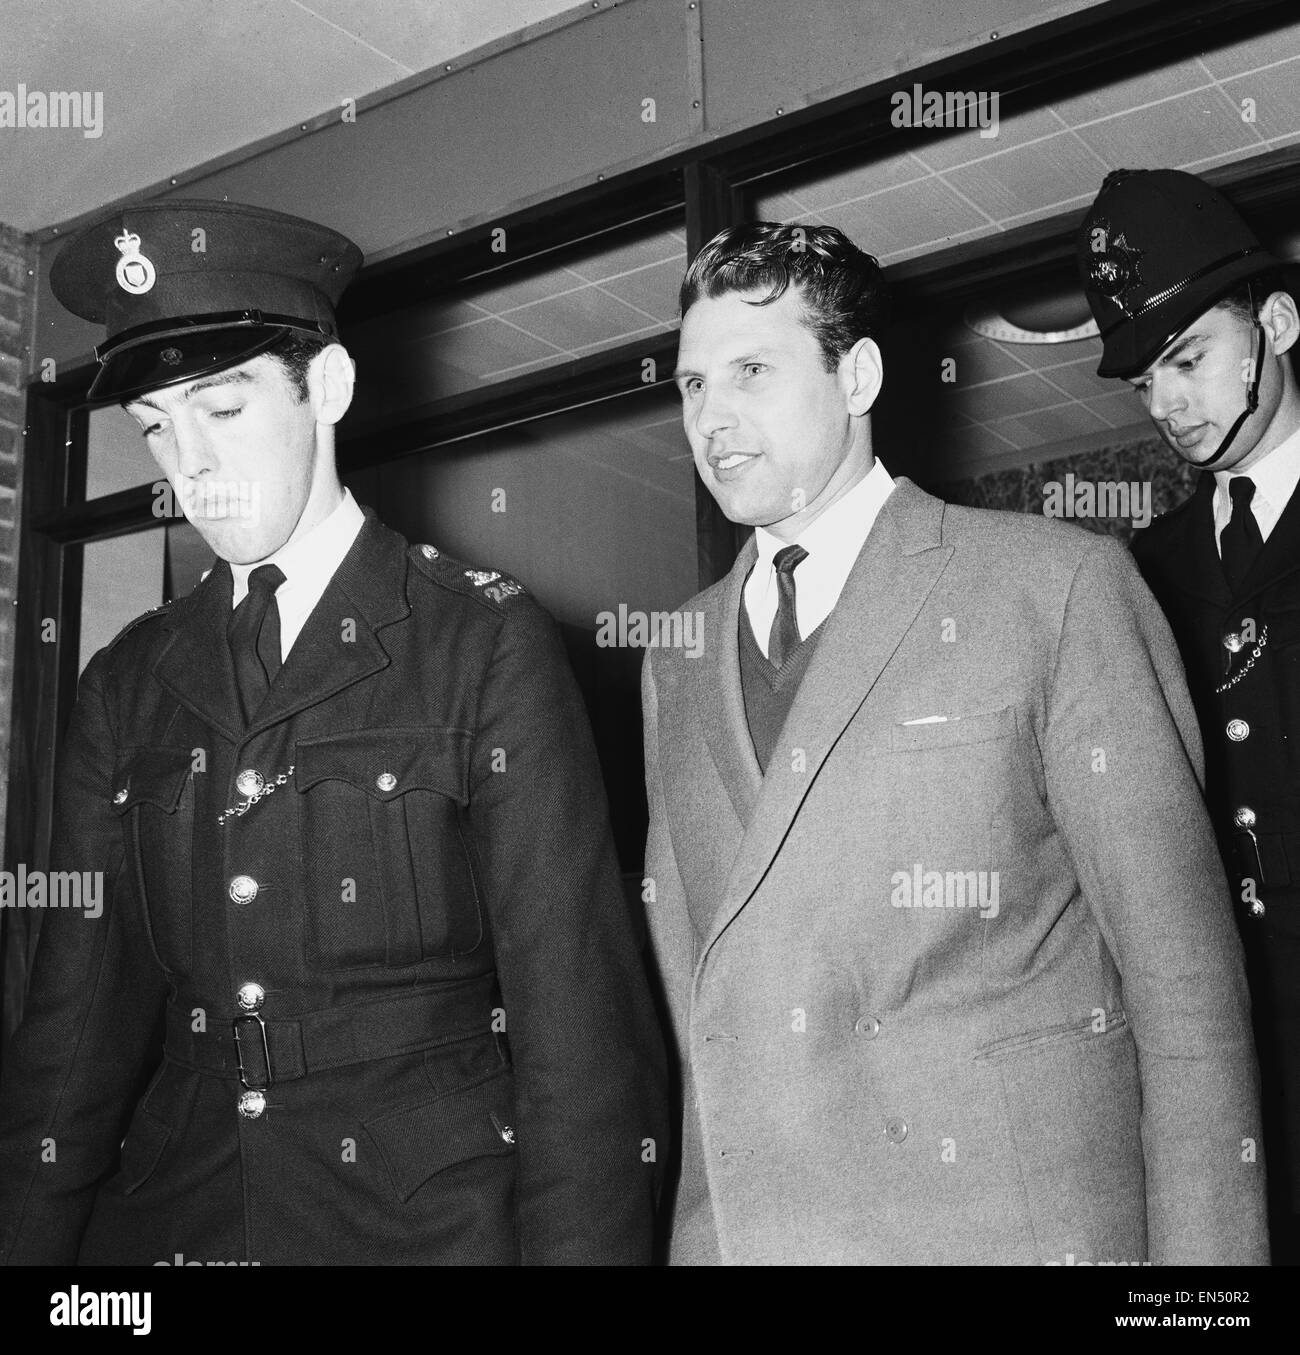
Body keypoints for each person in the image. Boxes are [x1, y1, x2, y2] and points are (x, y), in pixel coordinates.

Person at [0, 199, 666, 1265]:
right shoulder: (127, 681)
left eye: (221, 407)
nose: (189, 464)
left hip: (423, 1220)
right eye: (158, 427)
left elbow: (578, 1032)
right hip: (180, 1215)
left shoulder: (481, 642)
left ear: (330, 389)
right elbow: (73, 1029)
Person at [641, 219, 1266, 1265]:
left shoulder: (1051, 585)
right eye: (692, 385)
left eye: (752, 368)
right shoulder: (674, 658)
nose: (713, 415)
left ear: (858, 377)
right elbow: (697, 1018)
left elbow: (1185, 989)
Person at [1078, 167, 1300, 1262]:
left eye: (1187, 358)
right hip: (1234, 1065)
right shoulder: (1144, 573)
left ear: (1277, 323)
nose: (1166, 405)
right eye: (1143, 381)